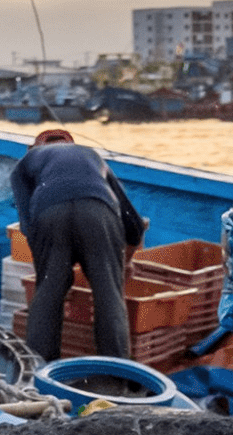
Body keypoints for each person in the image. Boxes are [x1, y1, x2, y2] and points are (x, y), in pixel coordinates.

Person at [10, 129, 145, 361]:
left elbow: (28, 225)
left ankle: (40, 372)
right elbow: (134, 223)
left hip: (49, 212)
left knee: (48, 292)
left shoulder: (23, 165)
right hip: (99, 212)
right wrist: (124, 264)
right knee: (109, 292)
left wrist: (50, 270)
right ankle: (116, 375)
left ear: (34, 148)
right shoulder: (91, 156)